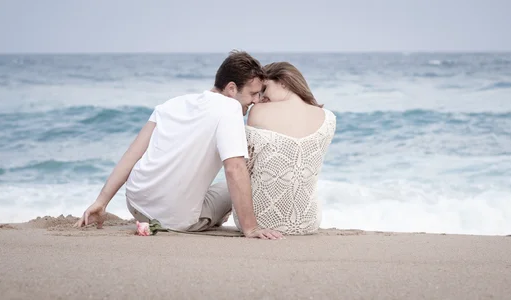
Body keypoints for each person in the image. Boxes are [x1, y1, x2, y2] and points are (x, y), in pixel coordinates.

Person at [74, 50, 283, 240]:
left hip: (136, 203)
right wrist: (251, 228)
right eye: (253, 93)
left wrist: (101, 203)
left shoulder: (171, 104)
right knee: (248, 178)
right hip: (175, 218)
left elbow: (132, 155)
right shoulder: (230, 108)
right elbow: (234, 168)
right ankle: (225, 221)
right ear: (231, 89)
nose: (256, 100)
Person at [232, 62, 336, 235]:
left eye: (264, 89)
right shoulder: (328, 119)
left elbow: (247, 169)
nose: (260, 98)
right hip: (307, 221)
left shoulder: (258, 111)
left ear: (283, 82)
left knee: (227, 187)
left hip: (260, 220)